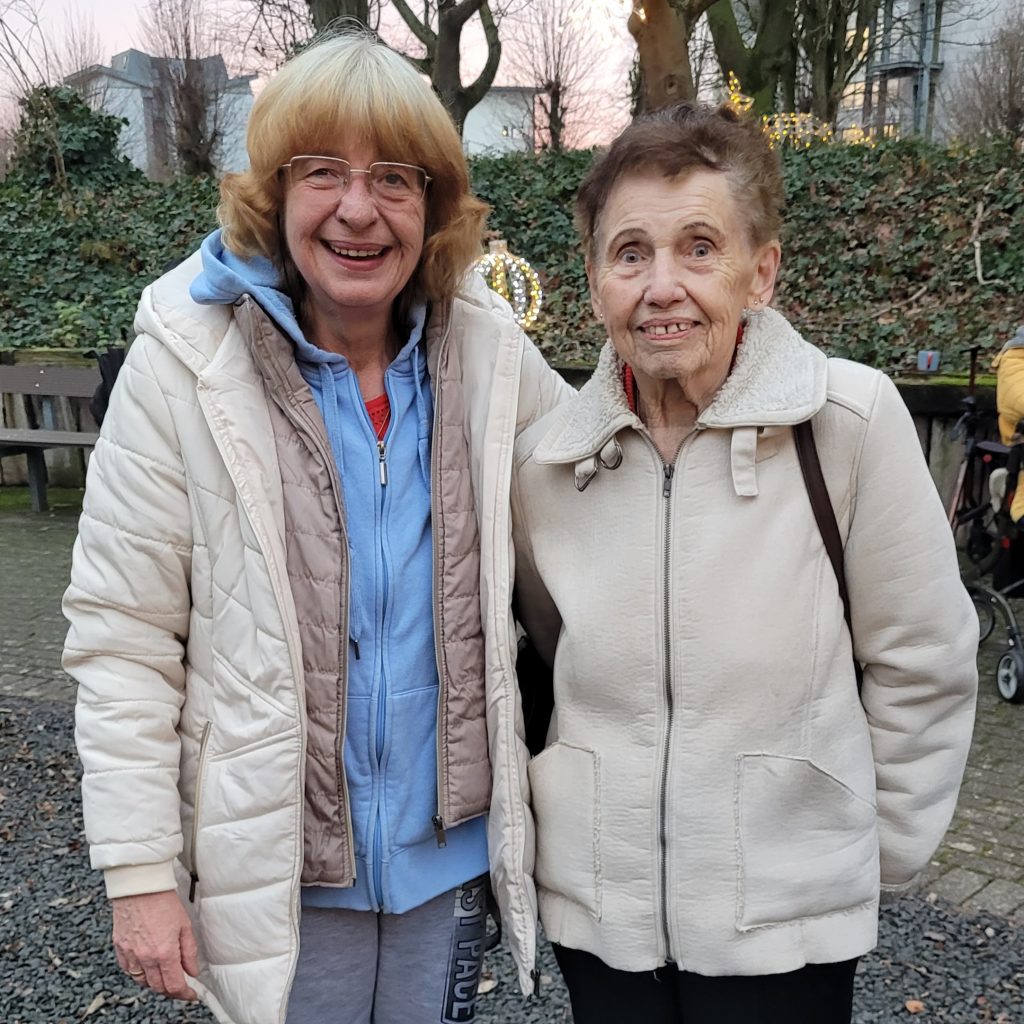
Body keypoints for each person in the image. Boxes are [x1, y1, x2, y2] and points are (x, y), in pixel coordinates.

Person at [62, 32, 570, 1024]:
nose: (356, 206)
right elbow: (123, 636)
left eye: (393, 176)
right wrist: (138, 871)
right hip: (278, 867)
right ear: (273, 193)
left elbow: (612, 491)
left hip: (441, 862)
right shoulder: (183, 365)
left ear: (431, 203)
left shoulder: (491, 355)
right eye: (321, 171)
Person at [488, 103, 978, 1023]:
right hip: (605, 921)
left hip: (788, 925)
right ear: (595, 284)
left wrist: (867, 856)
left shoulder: (850, 425)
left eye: (699, 247)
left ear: (762, 271)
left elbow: (925, 660)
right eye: (630, 252)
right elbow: (551, 655)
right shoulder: (547, 465)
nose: (661, 285)